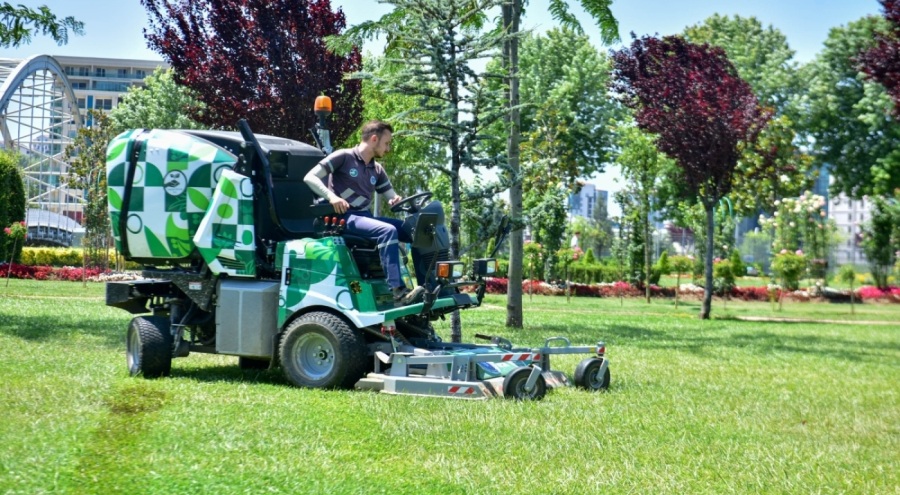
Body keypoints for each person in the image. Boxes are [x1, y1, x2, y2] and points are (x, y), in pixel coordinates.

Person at [304, 120, 425, 305]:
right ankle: (398, 292)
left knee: (417, 231)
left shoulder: (376, 169)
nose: (388, 148)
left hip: (364, 218)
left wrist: (395, 199)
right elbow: (309, 177)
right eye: (387, 143)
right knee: (387, 231)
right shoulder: (343, 157)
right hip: (343, 219)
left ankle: (427, 286)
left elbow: (391, 195)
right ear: (374, 139)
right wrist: (332, 197)